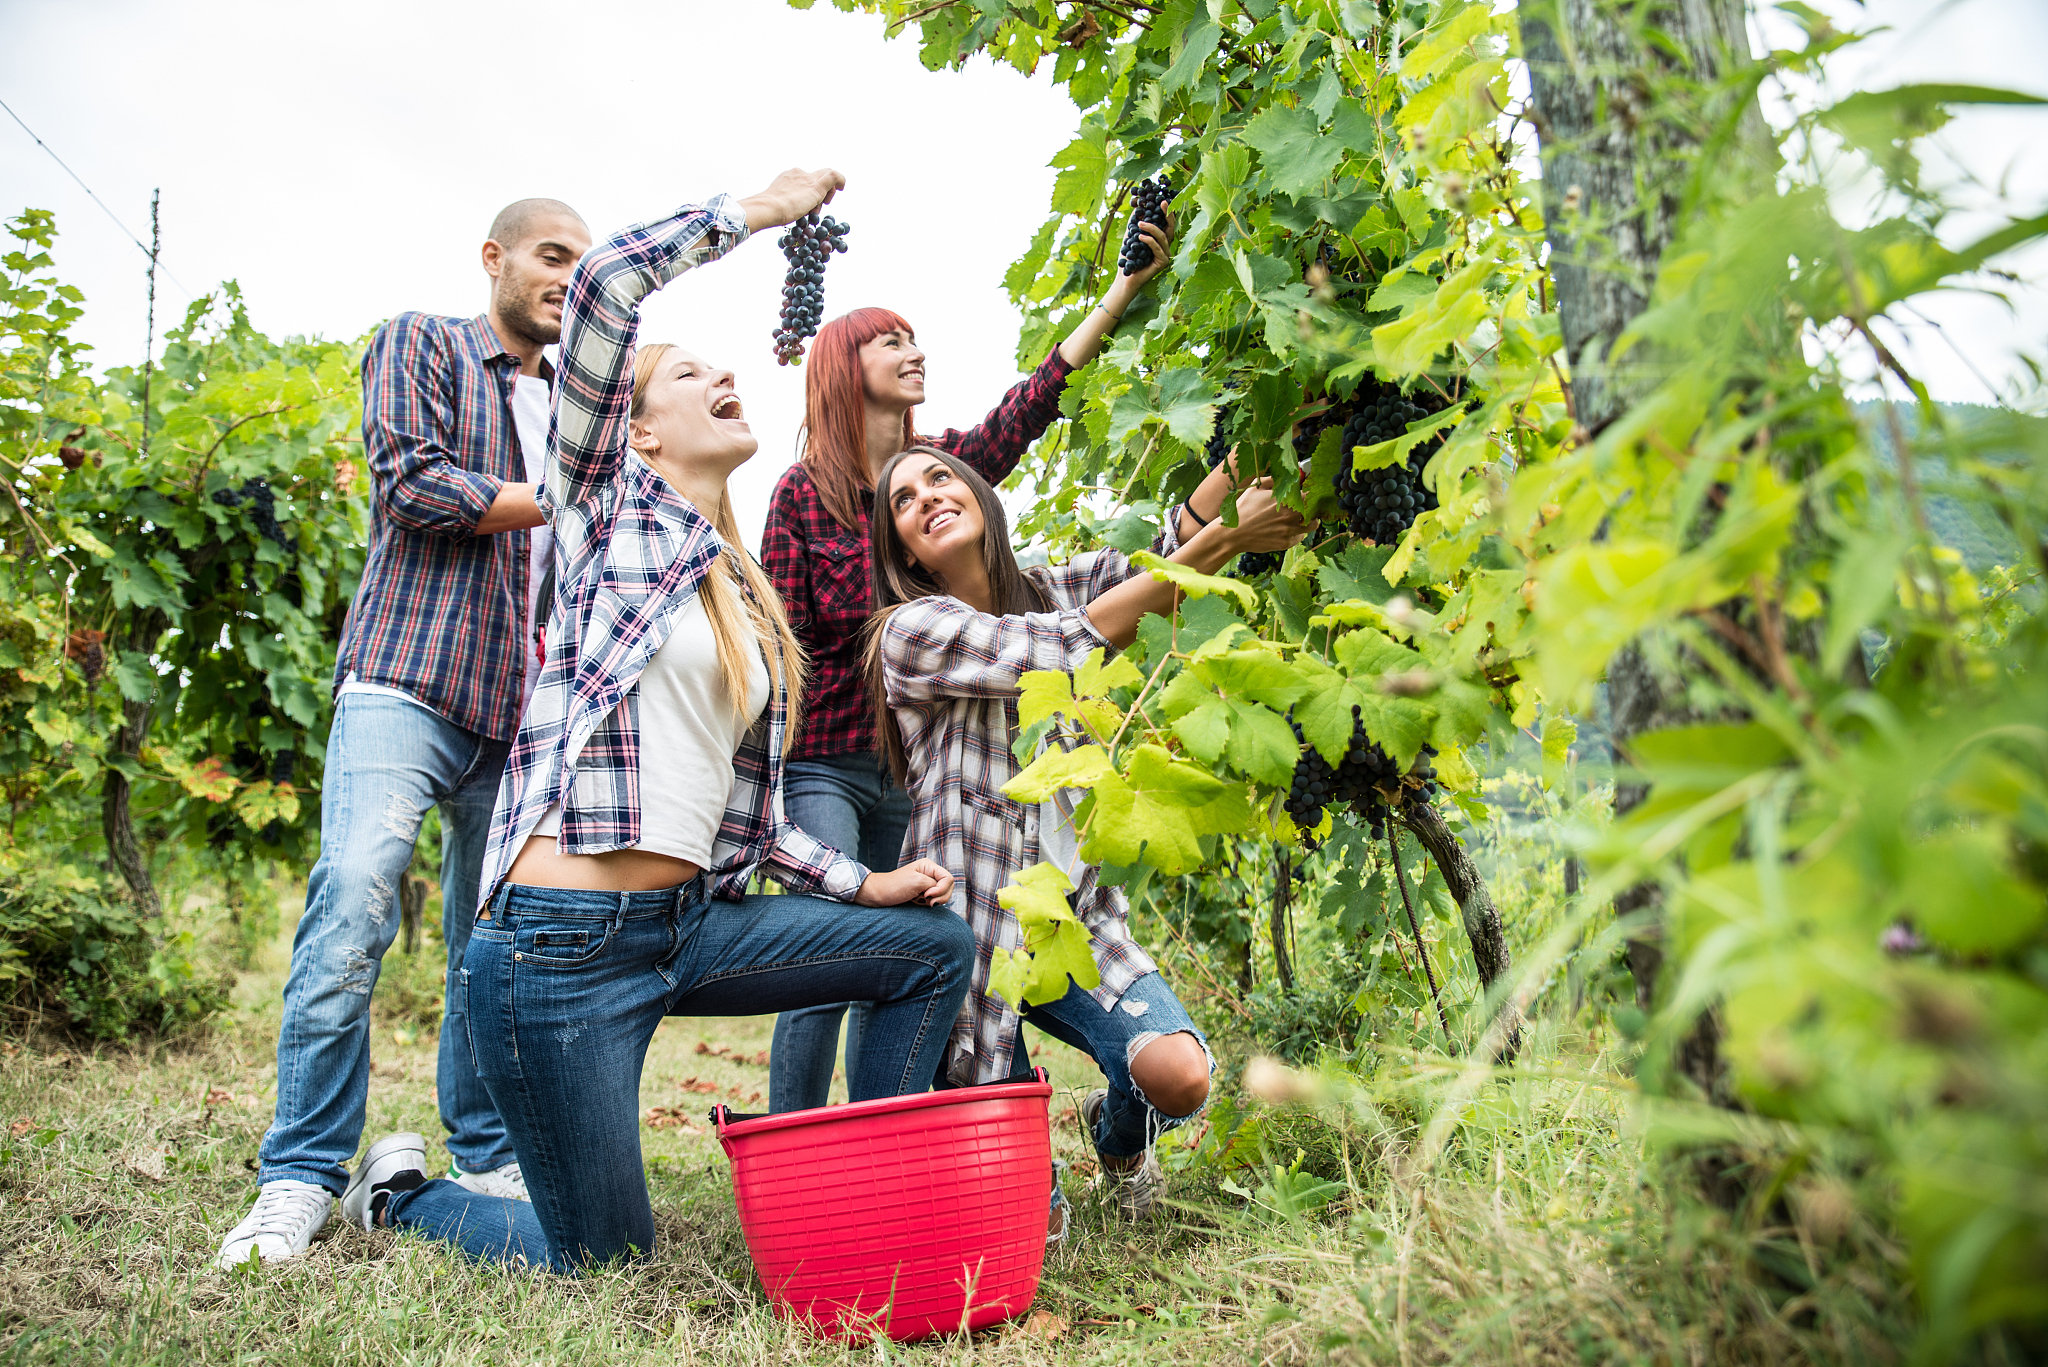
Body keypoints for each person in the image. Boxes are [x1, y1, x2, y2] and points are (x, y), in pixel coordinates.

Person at [337, 171, 977, 1274]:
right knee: (604, 1257)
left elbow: (745, 818)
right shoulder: (599, 509)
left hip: (686, 925)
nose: (725, 376)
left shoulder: (737, 586)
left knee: (928, 946)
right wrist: (760, 211)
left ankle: (869, 1197)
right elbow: (601, 288)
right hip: (559, 946)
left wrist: (860, 884)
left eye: (720, 369)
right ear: (631, 432)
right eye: (689, 372)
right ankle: (403, 1195)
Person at [219, 198, 591, 1270]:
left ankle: (483, 1155)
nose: (567, 278)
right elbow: (413, 484)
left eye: (582, 265)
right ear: (495, 257)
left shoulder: (576, 404)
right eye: (551, 255)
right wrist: (567, 493)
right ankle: (300, 1173)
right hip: (406, 677)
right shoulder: (424, 342)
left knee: (489, 946)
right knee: (353, 898)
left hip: (518, 712)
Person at [760, 210, 1175, 1114]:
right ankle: (795, 1132)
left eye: (914, 338)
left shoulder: (936, 470)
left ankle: (896, 1116)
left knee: (908, 948)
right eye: (891, 342)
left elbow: (1030, 406)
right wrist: (763, 785)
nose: (915, 352)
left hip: (919, 767)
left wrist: (1123, 291)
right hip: (828, 757)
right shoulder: (801, 495)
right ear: (843, 367)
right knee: (830, 941)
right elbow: (779, 646)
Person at [868, 445, 1308, 1230]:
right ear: (901, 548)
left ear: (976, 493)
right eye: (903, 499)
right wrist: (1228, 542)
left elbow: (1168, 552)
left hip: (1076, 922)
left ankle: (1118, 1141)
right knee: (1028, 1226)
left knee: (1180, 1077)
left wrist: (1247, 454)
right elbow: (1060, 646)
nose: (927, 496)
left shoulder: (1057, 584)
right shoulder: (910, 631)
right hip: (975, 943)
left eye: (939, 476)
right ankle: (1023, 1177)